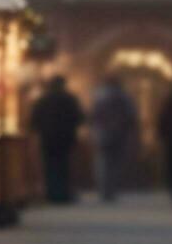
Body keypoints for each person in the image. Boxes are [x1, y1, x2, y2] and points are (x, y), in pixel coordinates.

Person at [28, 76, 84, 204]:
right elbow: (80, 117)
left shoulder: (43, 100)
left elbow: (34, 120)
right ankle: (63, 193)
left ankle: (52, 193)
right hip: (66, 137)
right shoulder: (70, 99)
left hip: (47, 137)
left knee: (50, 166)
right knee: (64, 165)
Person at [89, 76, 139, 202]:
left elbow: (93, 116)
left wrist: (93, 131)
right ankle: (111, 189)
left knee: (103, 162)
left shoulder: (99, 97)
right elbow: (131, 116)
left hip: (102, 133)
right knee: (115, 163)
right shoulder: (124, 97)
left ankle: (104, 189)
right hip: (119, 133)